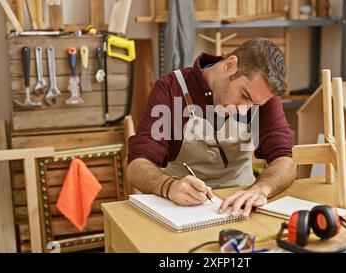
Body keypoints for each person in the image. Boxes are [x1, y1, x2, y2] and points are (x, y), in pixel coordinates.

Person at [127, 38, 297, 217]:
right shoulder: (171, 88)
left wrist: (261, 189)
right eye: (244, 95)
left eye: (254, 104)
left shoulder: (261, 94)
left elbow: (285, 159)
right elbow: (137, 163)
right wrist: (168, 186)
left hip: (240, 206)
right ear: (230, 65)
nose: (244, 109)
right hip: (181, 208)